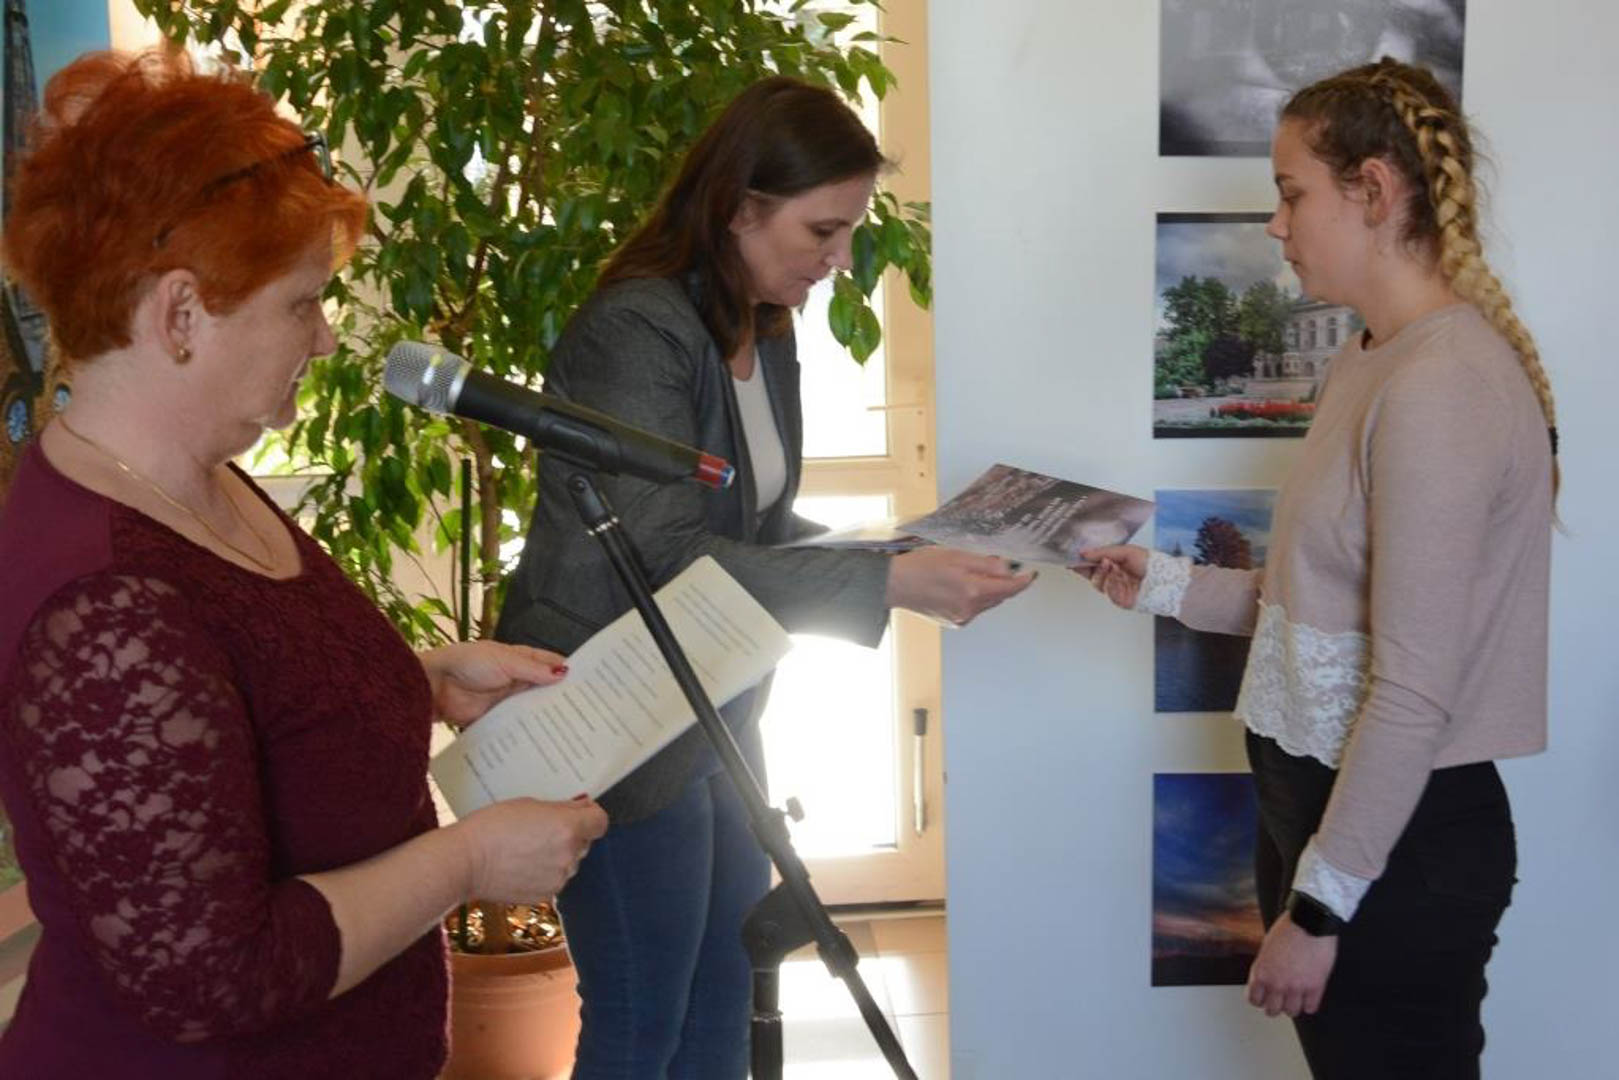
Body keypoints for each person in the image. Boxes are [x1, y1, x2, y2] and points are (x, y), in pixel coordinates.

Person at [0, 50, 607, 1078]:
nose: (324, 339)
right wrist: (468, 858)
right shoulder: (102, 602)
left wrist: (416, 682)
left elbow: (235, 710)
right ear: (180, 315)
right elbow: (211, 975)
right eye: (301, 303)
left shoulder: (190, 478)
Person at [495, 75, 1033, 1078]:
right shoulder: (633, 332)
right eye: (822, 231)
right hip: (615, 719)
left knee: (721, 1006)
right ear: (740, 208)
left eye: (847, 233)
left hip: (715, 705)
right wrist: (890, 587)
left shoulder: (762, 330)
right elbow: (663, 553)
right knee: (641, 1023)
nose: (839, 260)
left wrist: (902, 551)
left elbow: (758, 526)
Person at [1085, 58, 1555, 1079]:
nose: (1274, 223)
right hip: (1322, 826)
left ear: (1373, 190)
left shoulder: (1440, 384)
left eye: (1290, 193)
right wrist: (1154, 581)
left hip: (1392, 858)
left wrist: (1316, 911)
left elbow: (1413, 686)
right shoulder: (1369, 357)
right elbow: (1319, 608)